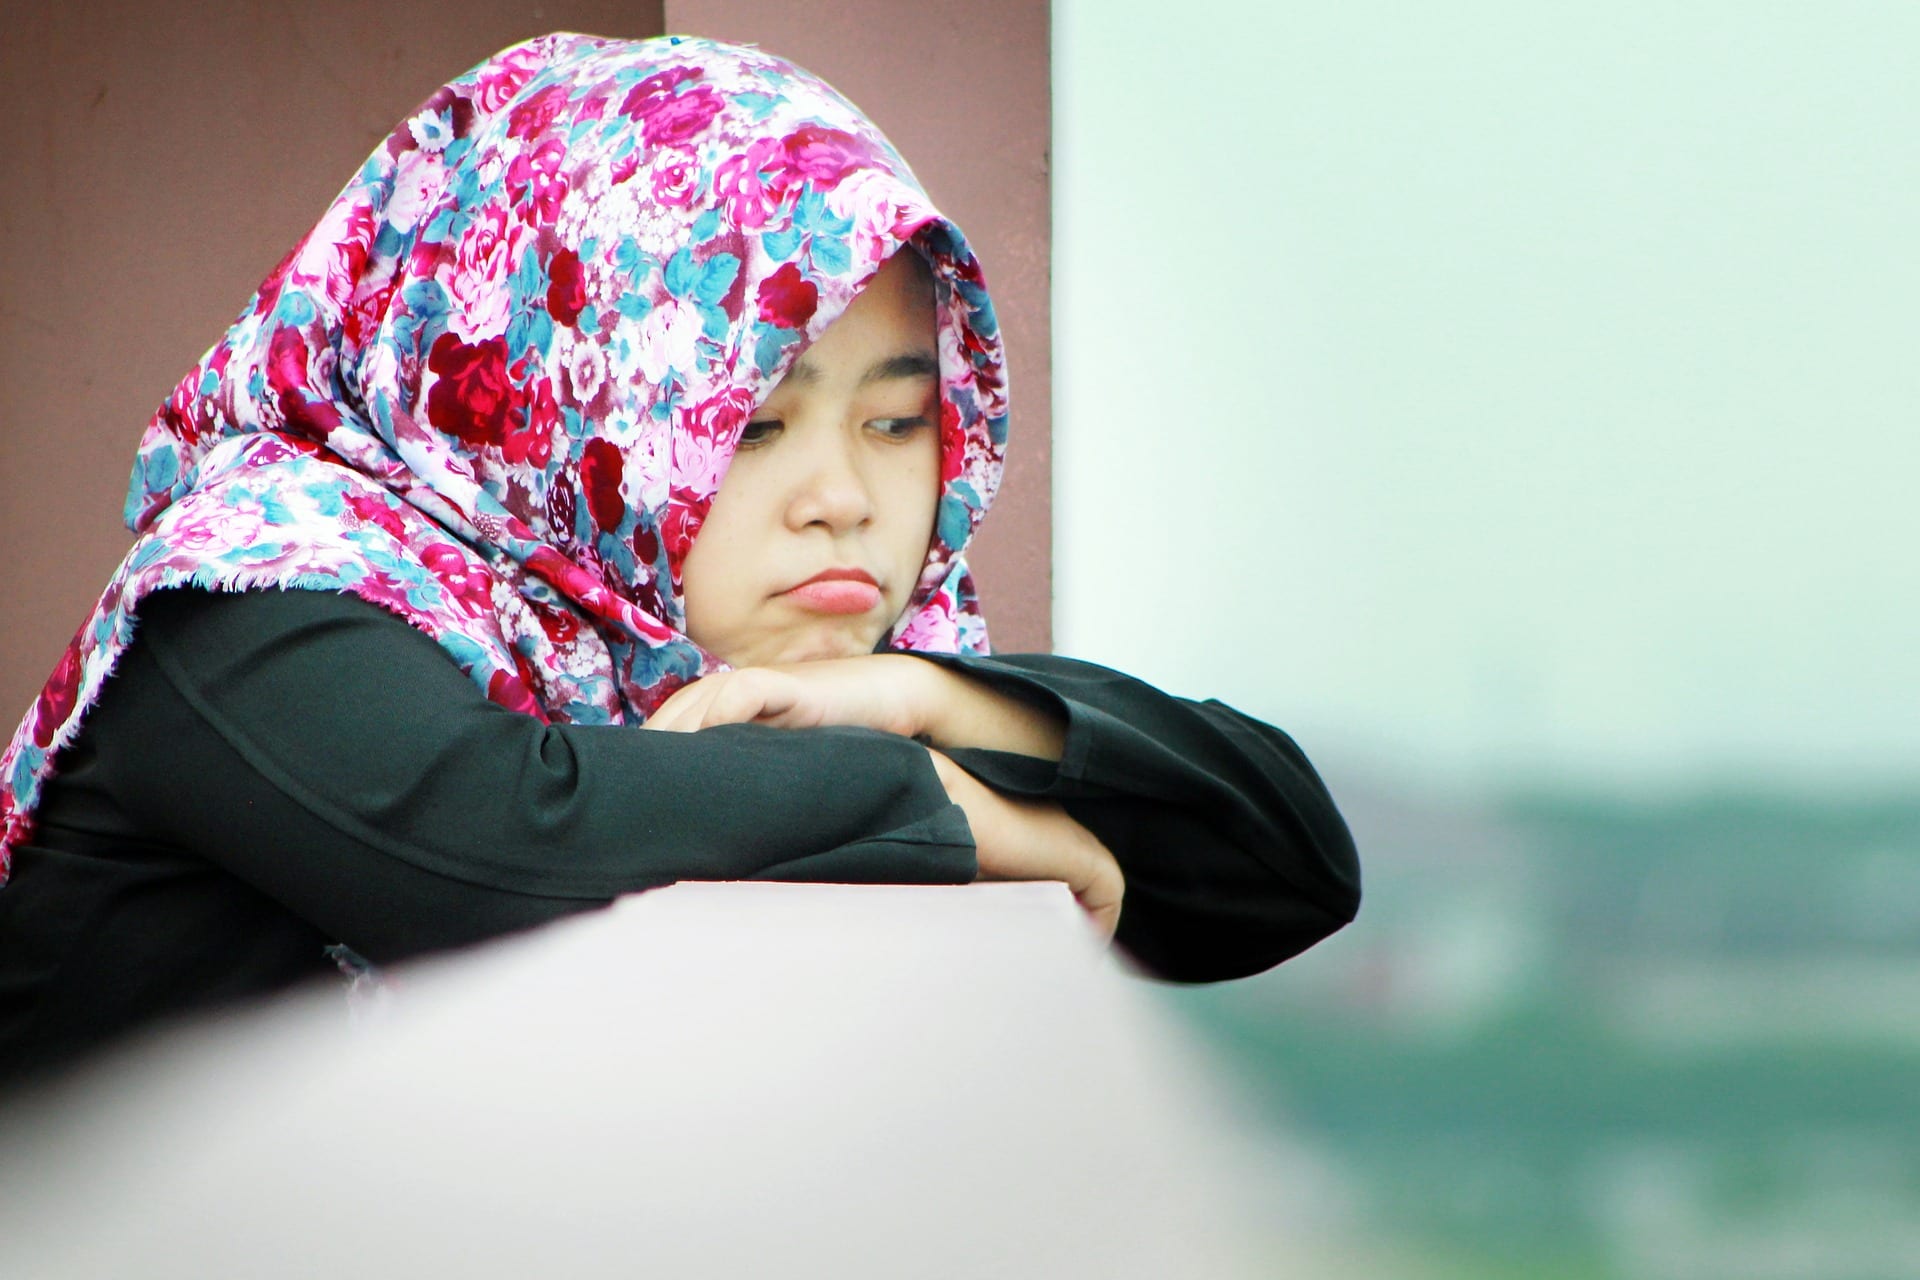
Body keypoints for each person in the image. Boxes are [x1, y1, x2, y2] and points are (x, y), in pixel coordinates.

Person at [0, 34, 1358, 1078]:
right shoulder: (251, 604)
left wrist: (921, 703)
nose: (846, 499)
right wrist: (961, 809)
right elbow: (509, 837)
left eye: (896, 421)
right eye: (752, 427)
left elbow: (1283, 867)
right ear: (556, 400)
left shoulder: (776, 661)